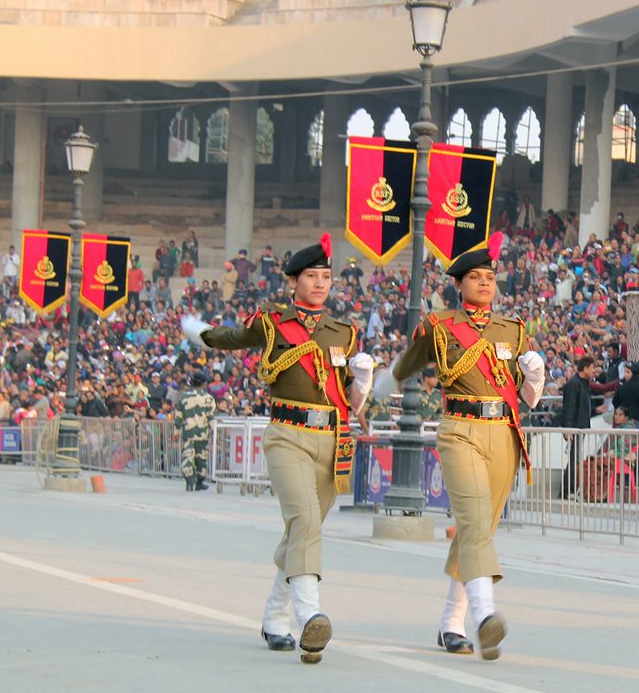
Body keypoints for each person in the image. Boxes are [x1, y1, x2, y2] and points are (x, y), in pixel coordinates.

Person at [181, 232, 374, 664]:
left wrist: (361, 383)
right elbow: (233, 338)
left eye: (326, 276)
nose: (321, 283)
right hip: (287, 434)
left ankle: (273, 617)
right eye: (312, 276)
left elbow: (348, 398)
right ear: (293, 280)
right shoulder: (271, 323)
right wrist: (202, 334)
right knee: (305, 521)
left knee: (301, 532)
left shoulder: (344, 333)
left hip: (332, 438)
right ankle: (310, 617)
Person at [381, 232, 545, 662]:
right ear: (459, 284)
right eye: (476, 277)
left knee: (478, 531)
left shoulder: (512, 329)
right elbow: (408, 364)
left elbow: (527, 393)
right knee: (472, 522)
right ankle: (485, 615)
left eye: (490, 276)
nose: (485, 283)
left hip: (504, 432)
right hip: (460, 429)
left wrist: (535, 375)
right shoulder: (440, 327)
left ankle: (450, 624)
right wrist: (379, 385)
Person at [560, 356, 595, 498]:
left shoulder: (584, 383)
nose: (593, 371)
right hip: (574, 429)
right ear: (585, 368)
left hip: (582, 427)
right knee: (574, 460)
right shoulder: (574, 384)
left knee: (576, 460)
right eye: (592, 368)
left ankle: (572, 489)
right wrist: (568, 428)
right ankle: (568, 490)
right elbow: (569, 408)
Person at [178, 371, 217, 492]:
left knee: (188, 457)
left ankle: (189, 482)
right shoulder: (208, 398)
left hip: (188, 433)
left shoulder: (184, 397)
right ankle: (200, 481)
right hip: (202, 433)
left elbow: (178, 416)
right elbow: (212, 418)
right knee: (201, 457)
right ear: (203, 384)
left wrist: (175, 431)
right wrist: (214, 432)